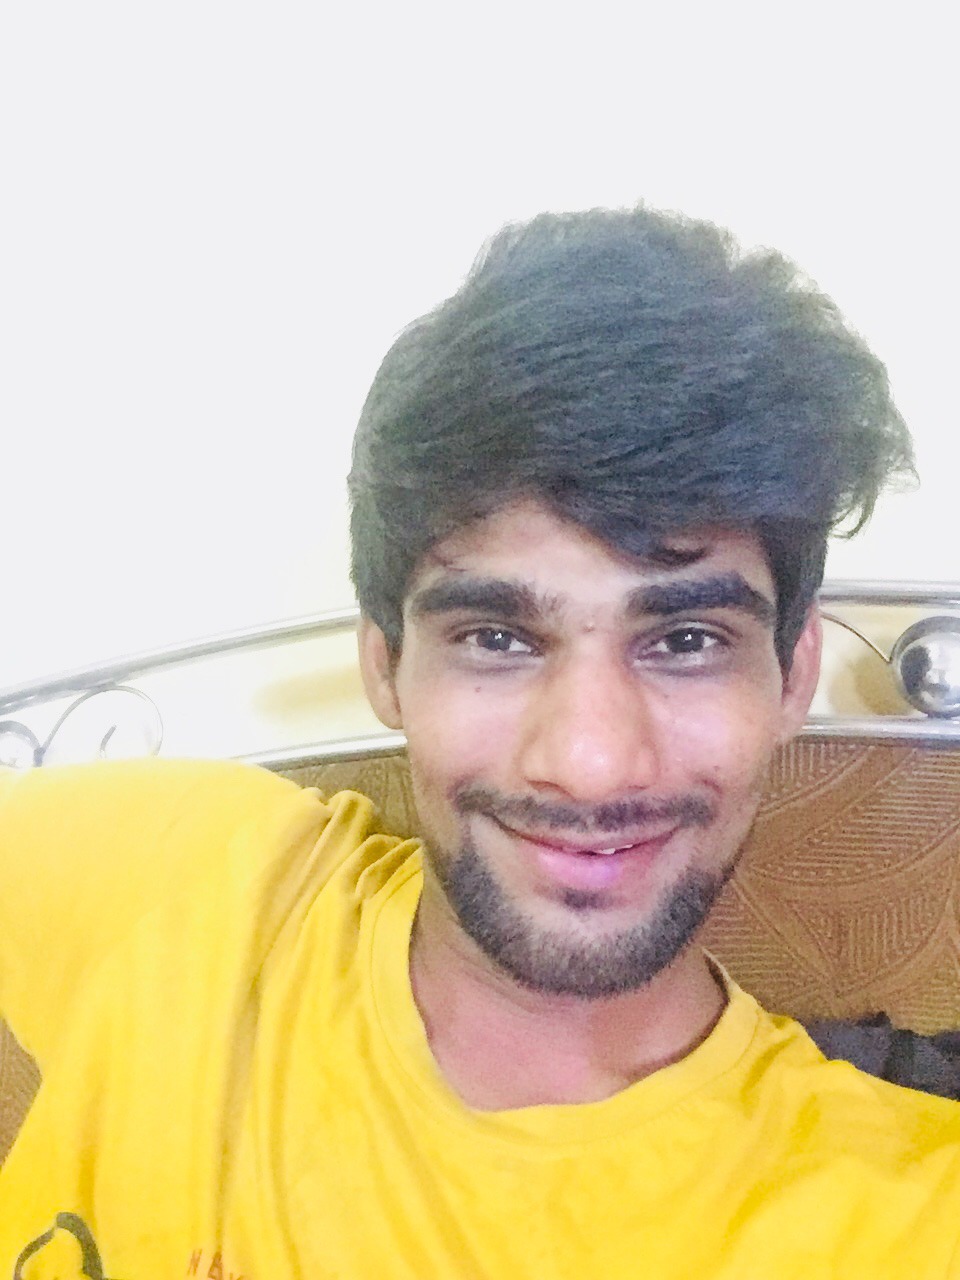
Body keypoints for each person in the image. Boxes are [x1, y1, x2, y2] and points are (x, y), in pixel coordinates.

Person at [2, 206, 958, 1278]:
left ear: (792, 674)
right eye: (497, 638)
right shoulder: (180, 876)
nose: (590, 762)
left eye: (686, 640)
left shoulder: (912, 1213)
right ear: (385, 664)